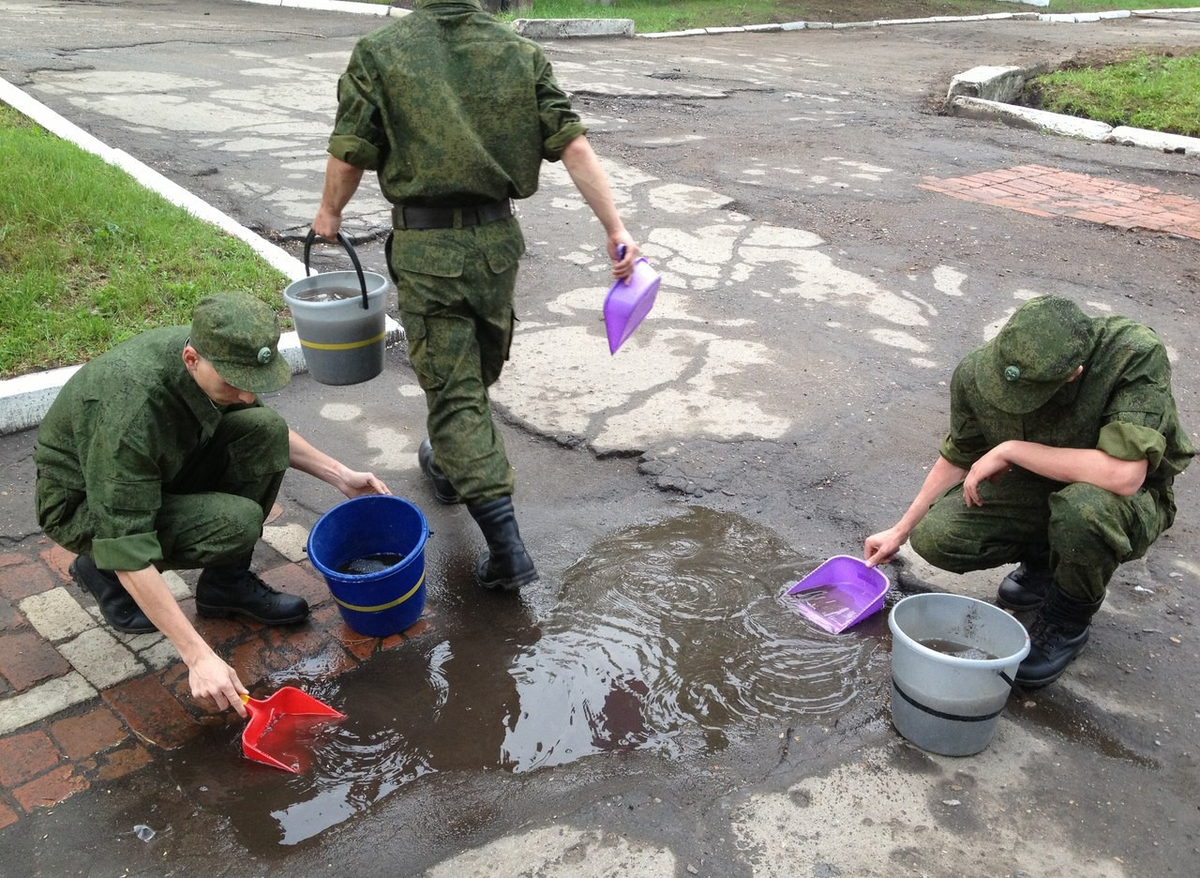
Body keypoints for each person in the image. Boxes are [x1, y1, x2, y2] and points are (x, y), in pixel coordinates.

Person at [311, 0, 639, 594]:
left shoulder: (382, 52)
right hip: (496, 244)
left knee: (456, 388)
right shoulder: (518, 52)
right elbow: (575, 147)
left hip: (429, 249)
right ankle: (445, 458)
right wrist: (616, 228)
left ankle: (507, 549)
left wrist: (329, 213)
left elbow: (349, 149)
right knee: (469, 374)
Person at [34, 292, 391, 717]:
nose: (244, 395)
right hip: (84, 504)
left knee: (263, 429)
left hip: (160, 468)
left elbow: (262, 426)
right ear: (190, 359)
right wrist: (198, 656)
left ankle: (225, 587)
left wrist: (340, 475)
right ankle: (102, 569)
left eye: (251, 382)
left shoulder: (215, 361)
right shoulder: (131, 414)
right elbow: (126, 538)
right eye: (235, 383)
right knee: (235, 524)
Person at [863, 296, 1193, 688]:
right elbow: (959, 455)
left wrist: (1012, 449)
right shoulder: (978, 371)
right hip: (1038, 488)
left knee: (1083, 511)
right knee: (937, 537)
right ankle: (1045, 561)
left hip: (1123, 499)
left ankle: (1067, 620)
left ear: (1076, 373)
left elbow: (1125, 476)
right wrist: (898, 531)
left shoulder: (1133, 353)